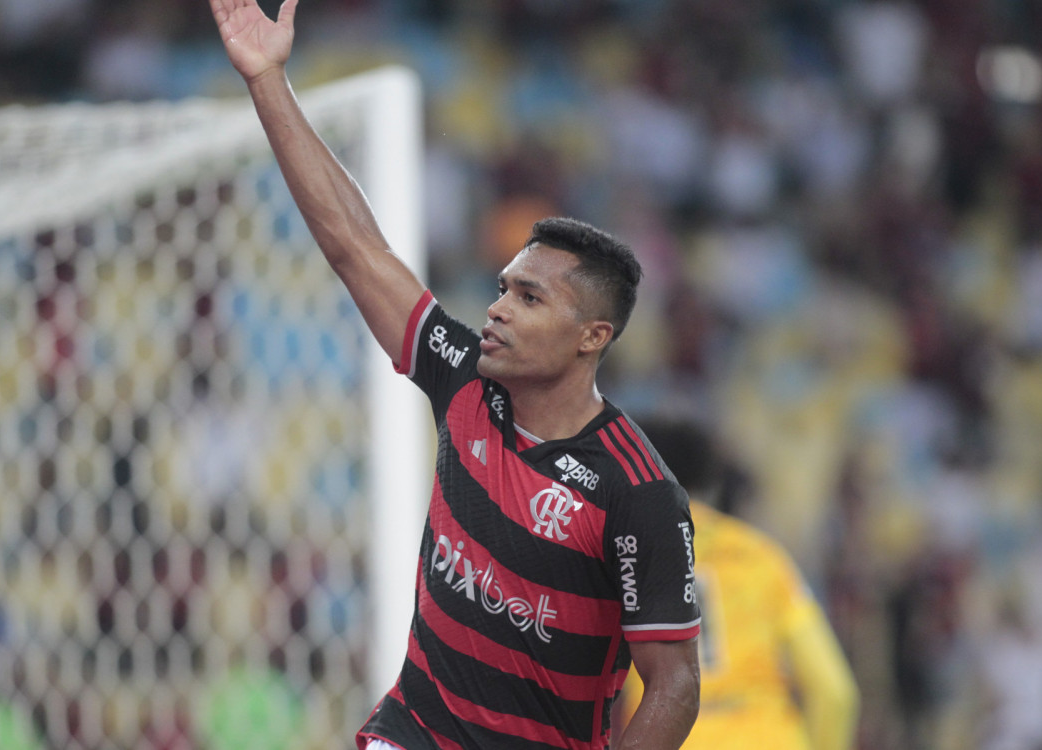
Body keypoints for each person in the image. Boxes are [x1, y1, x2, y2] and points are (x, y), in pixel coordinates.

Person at [205, 0, 702, 748]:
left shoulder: (638, 494)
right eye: (503, 287)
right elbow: (356, 249)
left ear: (591, 336)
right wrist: (269, 80)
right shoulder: (466, 380)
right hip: (413, 731)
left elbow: (674, 684)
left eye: (528, 297)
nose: (497, 309)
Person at [618, 420, 859, 750]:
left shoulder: (622, 559)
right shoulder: (762, 556)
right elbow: (833, 691)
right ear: (709, 482)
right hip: (770, 736)